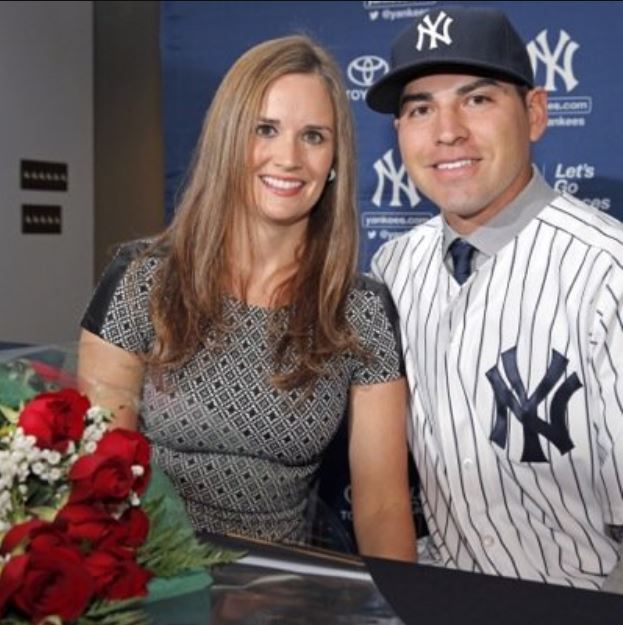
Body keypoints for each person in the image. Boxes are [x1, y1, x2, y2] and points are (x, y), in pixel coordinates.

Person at [78, 35, 416, 562]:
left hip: (284, 590)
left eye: (313, 136)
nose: (289, 158)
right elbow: (102, 480)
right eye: (265, 129)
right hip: (150, 578)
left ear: (334, 160)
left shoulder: (360, 310)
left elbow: (381, 507)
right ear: (228, 138)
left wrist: (398, 611)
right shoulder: (142, 279)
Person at [366, 5, 623, 589]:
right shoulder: (392, 268)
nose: (447, 130)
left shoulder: (609, 271)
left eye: (477, 99)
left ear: (535, 113)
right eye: (420, 108)